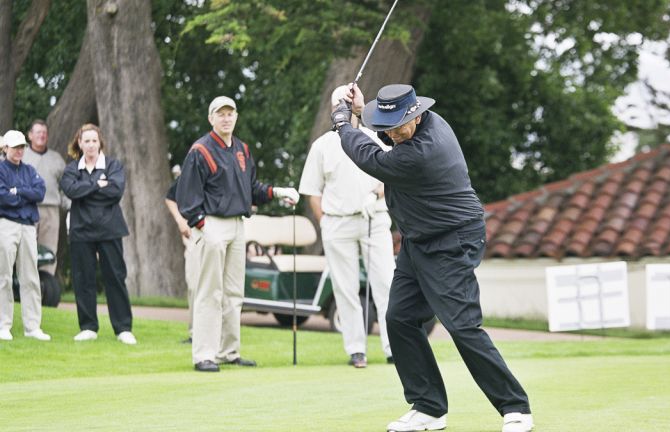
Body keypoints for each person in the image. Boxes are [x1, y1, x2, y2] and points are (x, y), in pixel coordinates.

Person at [332, 84, 534, 432]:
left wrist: (343, 125)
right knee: (399, 317)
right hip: (420, 239)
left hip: (453, 239)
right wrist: (363, 113)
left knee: (461, 324)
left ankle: (516, 407)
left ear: (417, 114)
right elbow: (381, 143)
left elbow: (372, 159)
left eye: (399, 126)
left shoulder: (421, 152)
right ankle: (428, 407)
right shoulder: (427, 124)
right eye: (387, 126)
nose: (393, 133)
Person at [176, 96, 299, 372]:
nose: (226, 118)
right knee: (210, 292)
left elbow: (252, 188)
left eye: (230, 113)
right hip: (211, 224)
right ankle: (204, 354)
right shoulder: (200, 150)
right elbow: (187, 196)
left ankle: (228, 352)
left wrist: (277, 192)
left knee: (233, 292)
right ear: (211, 118)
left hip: (237, 225)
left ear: (236, 116)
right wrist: (202, 226)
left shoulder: (241, 149)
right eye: (220, 114)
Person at [299, 85, 395, 368]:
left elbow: (392, 172)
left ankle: (394, 347)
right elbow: (312, 191)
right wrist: (325, 222)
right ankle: (356, 349)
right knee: (345, 287)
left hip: (373, 219)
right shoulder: (322, 146)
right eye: (337, 102)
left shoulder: (373, 137)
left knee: (386, 283)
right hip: (337, 223)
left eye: (347, 101)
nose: (342, 106)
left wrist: (376, 193)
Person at [60, 123, 137, 345]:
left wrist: (87, 188)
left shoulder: (113, 165)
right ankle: (88, 327)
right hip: (81, 230)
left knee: (115, 277)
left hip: (109, 229)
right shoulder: (72, 168)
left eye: (95, 140)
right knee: (83, 279)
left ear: (100, 142)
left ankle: (123, 328)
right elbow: (71, 190)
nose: (91, 144)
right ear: (80, 143)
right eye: (87, 141)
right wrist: (97, 184)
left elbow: (115, 191)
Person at [0, 130, 51, 342]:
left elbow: (39, 192)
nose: (20, 150)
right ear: (5, 148)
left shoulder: (30, 170)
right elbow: (3, 197)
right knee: (3, 276)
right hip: (7, 224)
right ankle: (3, 325)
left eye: (22, 147)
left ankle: (32, 326)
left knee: (30, 276)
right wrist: (22, 194)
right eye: (15, 147)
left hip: (28, 226)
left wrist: (17, 191)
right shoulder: (1, 169)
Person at [22, 119, 70, 276]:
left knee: (49, 249)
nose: (41, 136)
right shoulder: (21, 155)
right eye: (38, 132)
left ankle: (46, 285)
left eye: (44, 133)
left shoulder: (56, 158)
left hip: (51, 210)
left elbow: (65, 186)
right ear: (30, 135)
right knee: (25, 247)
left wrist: (67, 205)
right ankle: (24, 283)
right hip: (26, 209)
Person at [164, 177, 195, 343]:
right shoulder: (192, 170)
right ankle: (195, 334)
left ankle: (220, 337)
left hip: (218, 234)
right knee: (194, 286)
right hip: (193, 237)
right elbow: (170, 198)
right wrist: (180, 221)